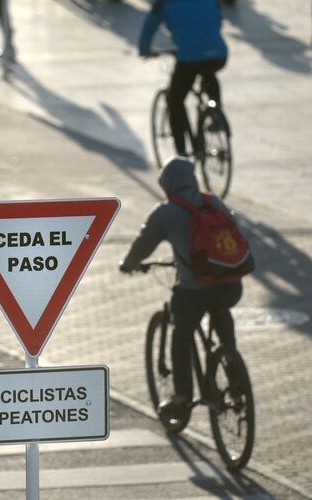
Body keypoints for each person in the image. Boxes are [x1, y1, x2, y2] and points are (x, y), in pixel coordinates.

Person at [119, 157, 244, 424]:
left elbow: (143, 245)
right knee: (221, 311)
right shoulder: (213, 202)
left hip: (194, 292)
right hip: (231, 284)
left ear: (168, 186)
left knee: (181, 334)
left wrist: (128, 265)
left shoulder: (166, 212)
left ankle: (182, 397)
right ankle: (234, 371)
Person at [139, 0, 228, 156]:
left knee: (175, 101)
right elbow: (218, 20)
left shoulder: (164, 3)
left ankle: (181, 154)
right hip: (218, 53)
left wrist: (144, 49)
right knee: (208, 73)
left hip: (189, 57)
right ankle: (215, 111)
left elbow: (149, 26)